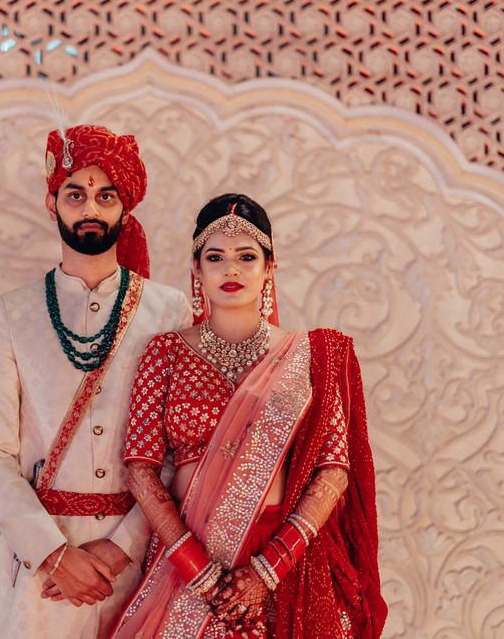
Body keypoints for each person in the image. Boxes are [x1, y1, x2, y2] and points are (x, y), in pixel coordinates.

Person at [111, 194, 387, 638]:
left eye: (246, 256)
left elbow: (333, 472)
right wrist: (196, 568)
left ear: (269, 267)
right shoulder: (164, 353)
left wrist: (268, 570)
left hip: (278, 563)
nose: (231, 269)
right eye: (215, 257)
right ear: (196, 269)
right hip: (185, 560)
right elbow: (140, 470)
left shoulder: (309, 357)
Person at [0, 124, 192, 638]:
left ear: (124, 208)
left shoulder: (168, 310)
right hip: (41, 573)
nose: (90, 206)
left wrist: (122, 548)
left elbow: (185, 448)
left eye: (105, 195)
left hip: (145, 565)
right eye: (76, 193)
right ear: (53, 204)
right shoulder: (12, 315)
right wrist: (52, 553)